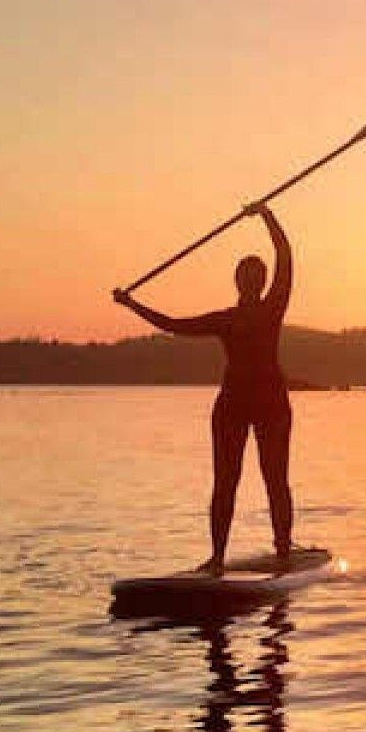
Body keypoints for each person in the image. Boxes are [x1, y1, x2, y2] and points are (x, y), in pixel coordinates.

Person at [114, 202, 294, 576]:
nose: (249, 282)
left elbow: (285, 256)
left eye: (253, 277)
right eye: (244, 277)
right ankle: (216, 558)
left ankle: (282, 550)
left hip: (270, 404)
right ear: (237, 282)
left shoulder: (273, 307)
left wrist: (268, 216)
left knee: (274, 477)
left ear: (259, 283)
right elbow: (173, 325)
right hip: (232, 405)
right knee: (225, 482)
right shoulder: (225, 320)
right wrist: (133, 305)